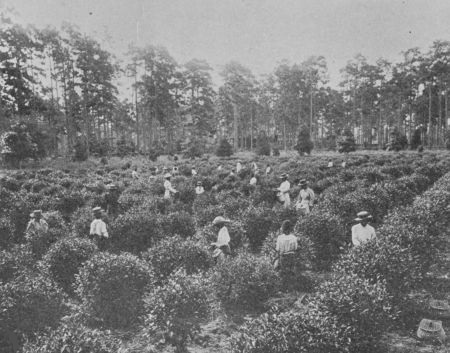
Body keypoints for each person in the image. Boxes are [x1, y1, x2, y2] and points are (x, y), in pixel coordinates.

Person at [275, 220, 298, 287]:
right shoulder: (294, 237)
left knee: (283, 272)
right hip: (291, 256)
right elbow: (295, 248)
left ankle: (285, 286)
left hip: (283, 257)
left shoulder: (280, 237)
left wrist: (276, 258)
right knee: (291, 271)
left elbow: (278, 249)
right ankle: (292, 286)